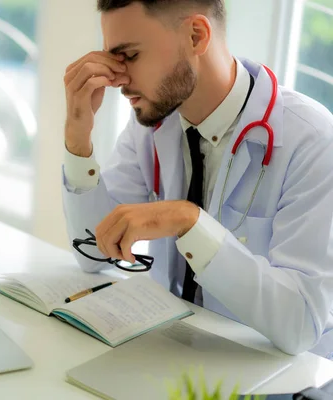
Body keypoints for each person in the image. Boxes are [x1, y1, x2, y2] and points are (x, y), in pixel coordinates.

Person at [61, 0, 333, 357]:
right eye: (113, 60)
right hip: (175, 354)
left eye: (130, 55)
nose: (119, 79)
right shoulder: (154, 124)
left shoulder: (313, 140)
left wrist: (190, 221)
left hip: (274, 378)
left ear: (196, 35)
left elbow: (302, 325)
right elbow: (95, 254)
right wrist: (78, 138)